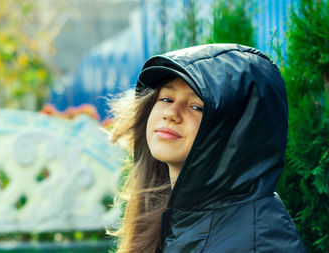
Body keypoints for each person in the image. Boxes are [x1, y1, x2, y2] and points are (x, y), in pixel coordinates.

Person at [109, 44, 307, 253]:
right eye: (166, 98)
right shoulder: (173, 217)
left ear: (238, 132)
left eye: (197, 107)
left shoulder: (255, 243)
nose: (171, 113)